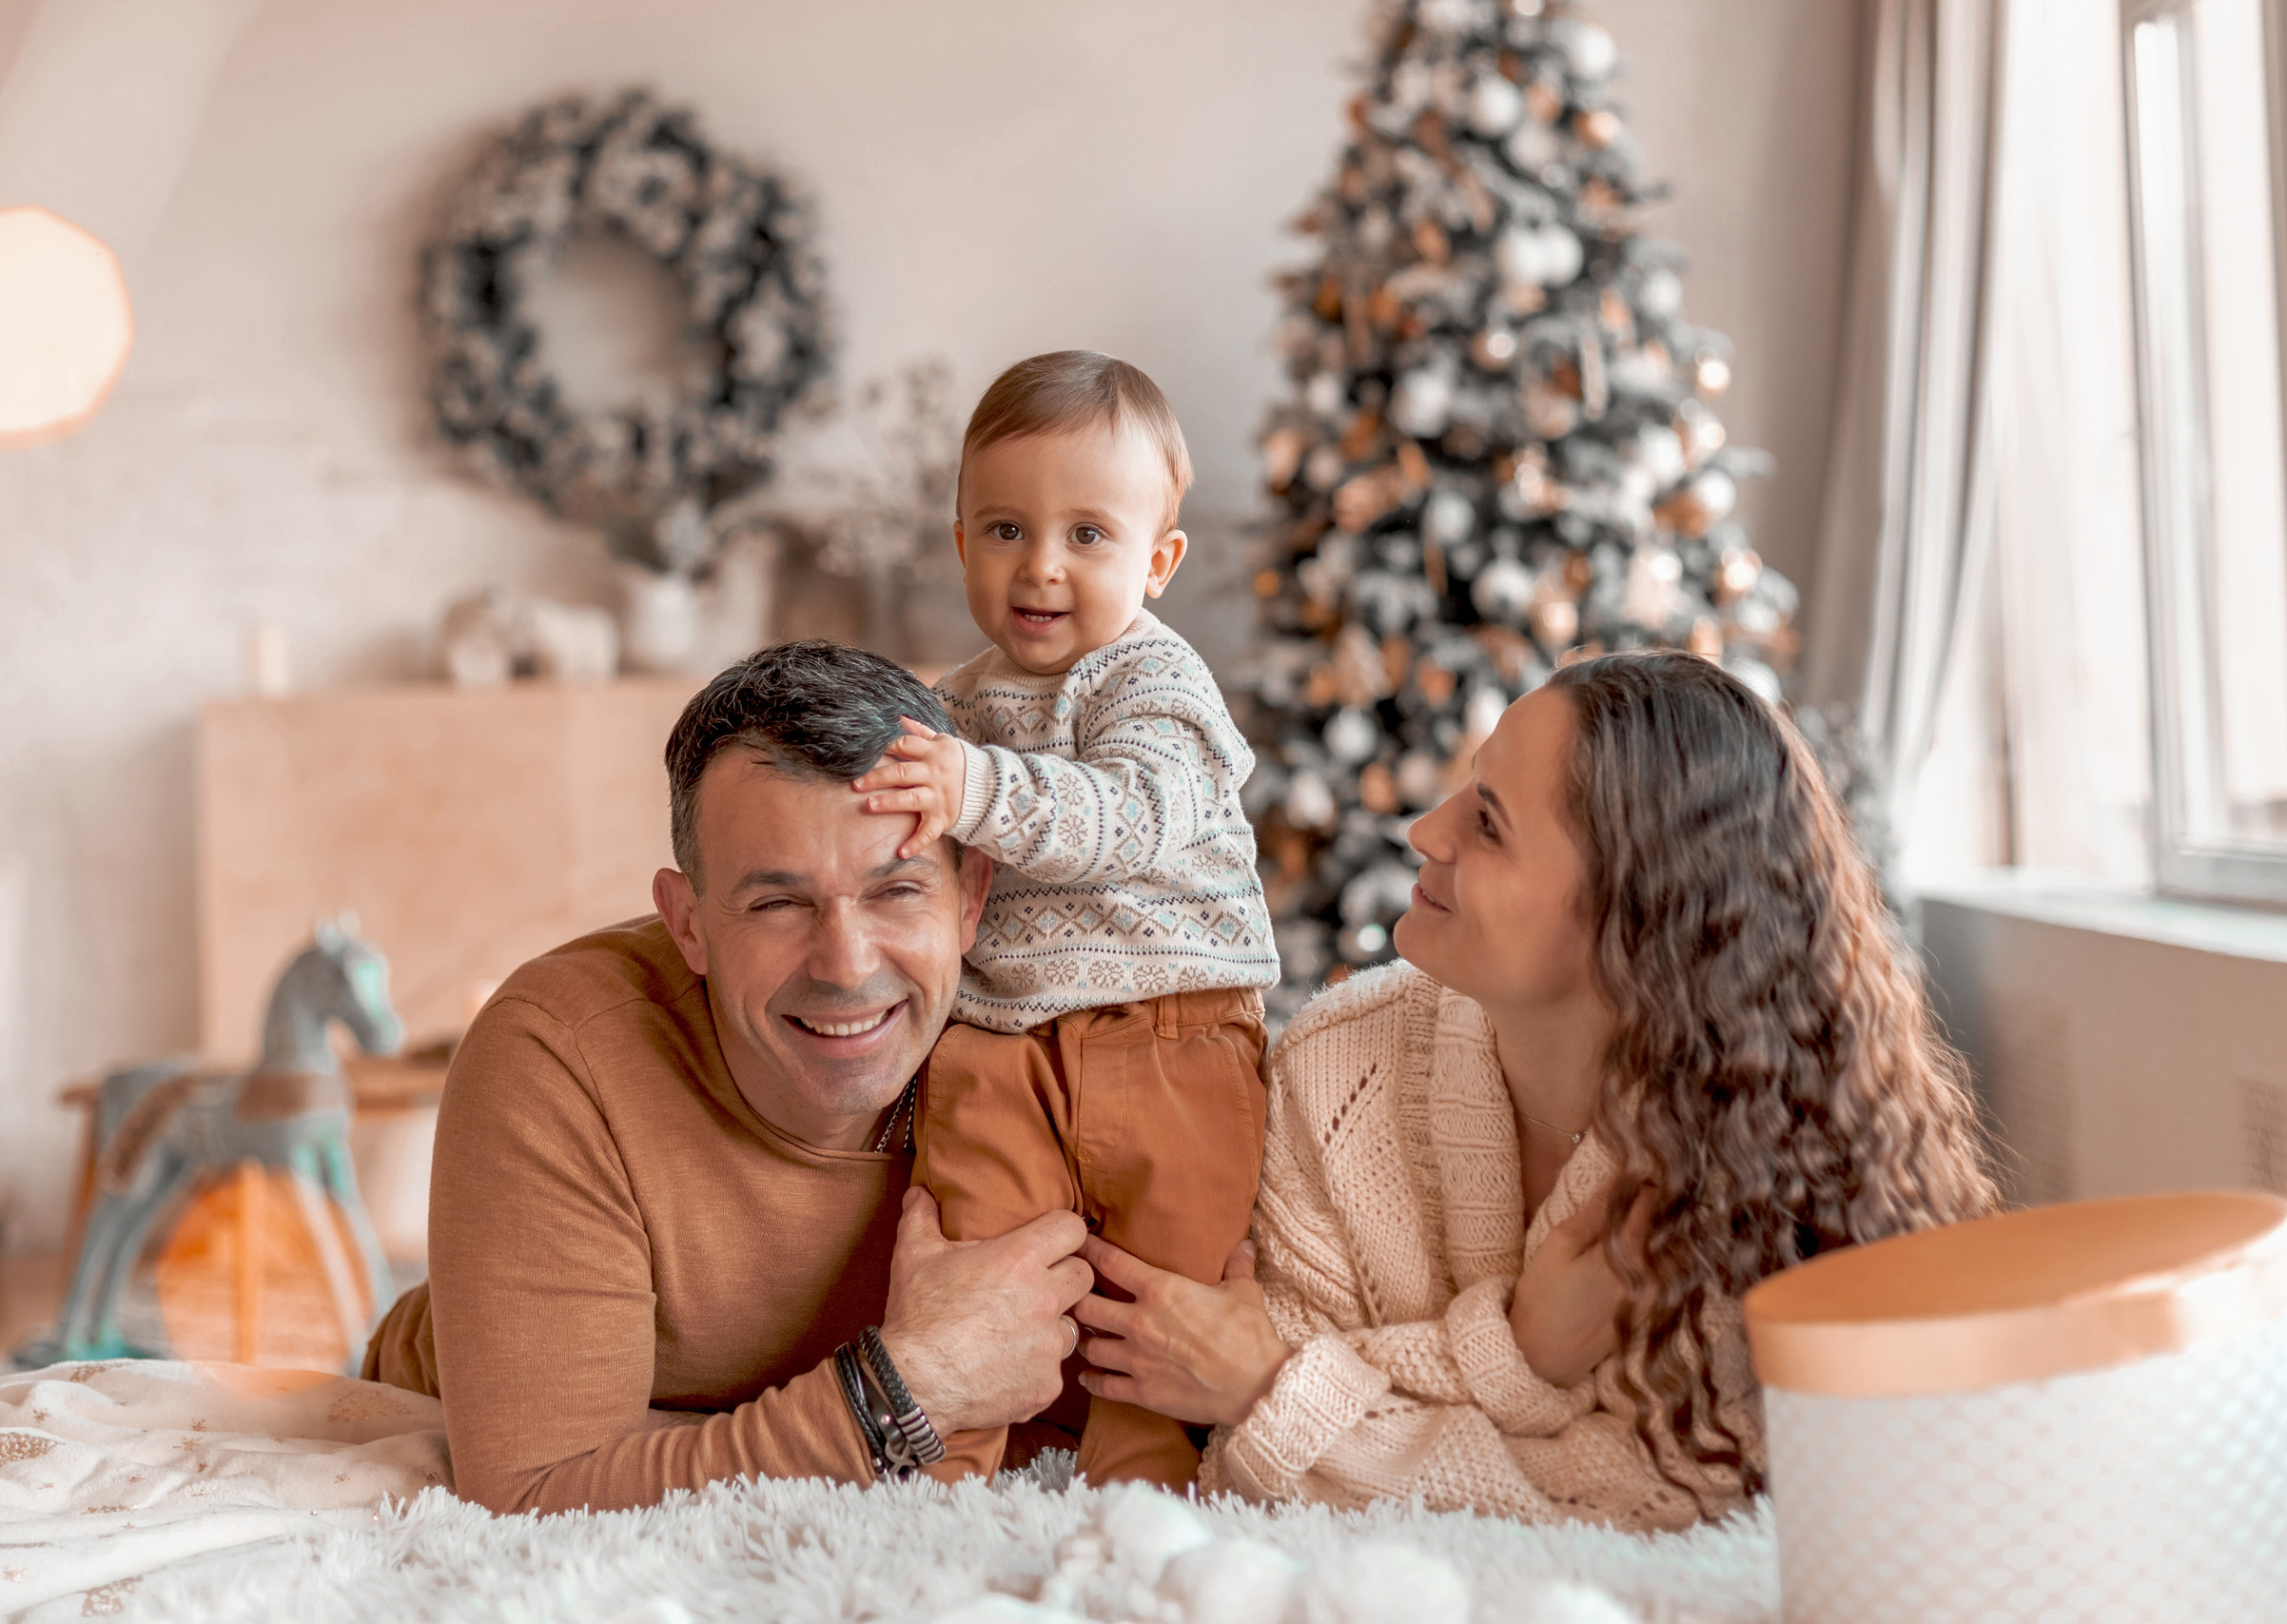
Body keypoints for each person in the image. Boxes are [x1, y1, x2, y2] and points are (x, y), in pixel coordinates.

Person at [1067, 651, 2000, 1528]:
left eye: (1488, 823)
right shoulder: (1335, 1069)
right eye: (1465, 791)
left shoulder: (1759, 1149)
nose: (1423, 830)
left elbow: (1670, 1498)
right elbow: (1247, 1465)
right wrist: (1521, 1357)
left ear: (1633, 922)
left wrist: (1279, 1389)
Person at [362, 642, 1098, 1515]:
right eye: (780, 903)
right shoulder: (558, 1054)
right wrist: (908, 1389)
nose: (846, 964)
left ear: (971, 894)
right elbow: (535, 1493)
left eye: (896, 889)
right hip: (461, 1426)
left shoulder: (1062, 1041)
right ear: (688, 924)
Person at [850, 351, 1279, 1488]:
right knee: (975, 1248)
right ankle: (952, 1455)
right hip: (998, 1039)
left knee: (1166, 1279)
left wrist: (973, 788)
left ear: (1159, 559)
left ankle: (1145, 1478)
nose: (1040, 567)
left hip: (1170, 1036)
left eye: (1087, 535)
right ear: (959, 543)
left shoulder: (1155, 685)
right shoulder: (951, 703)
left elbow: (1126, 818)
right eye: (1004, 530)